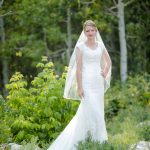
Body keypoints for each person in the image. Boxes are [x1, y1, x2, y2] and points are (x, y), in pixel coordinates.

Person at [47, 20, 112, 150]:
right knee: (89, 109)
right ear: (84, 32)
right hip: (86, 82)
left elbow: (108, 62)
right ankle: (82, 141)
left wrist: (104, 72)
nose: (90, 33)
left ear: (96, 31)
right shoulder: (80, 47)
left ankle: (99, 142)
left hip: (98, 82)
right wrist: (80, 86)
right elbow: (78, 69)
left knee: (98, 111)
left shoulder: (100, 46)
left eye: (92, 30)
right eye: (87, 31)